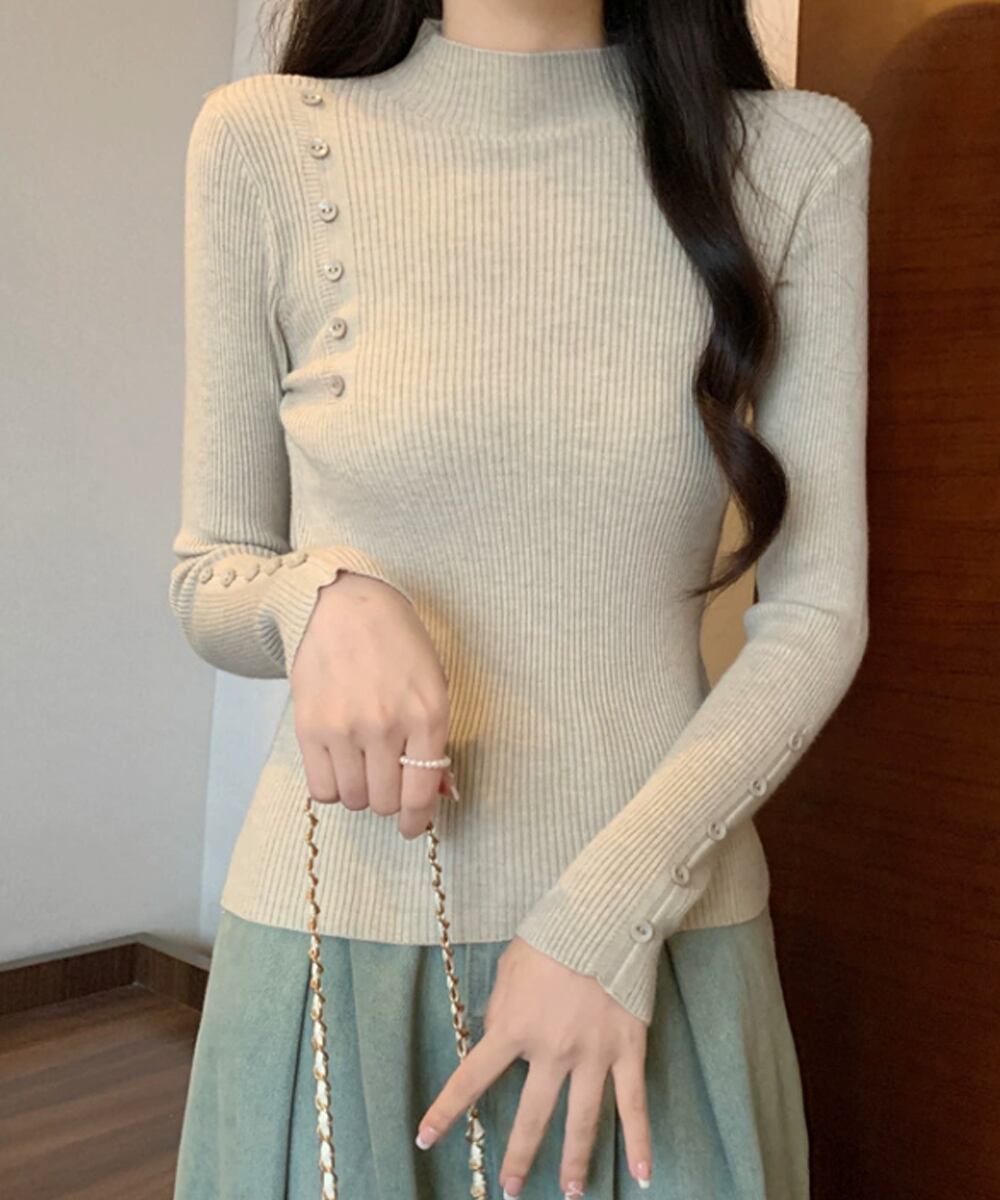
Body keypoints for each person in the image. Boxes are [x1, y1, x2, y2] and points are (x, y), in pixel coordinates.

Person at [168, 2, 871, 1198]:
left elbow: (815, 615)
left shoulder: (794, 161)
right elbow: (211, 570)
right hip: (338, 955)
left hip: (657, 938)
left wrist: (600, 922)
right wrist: (318, 599)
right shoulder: (264, 140)